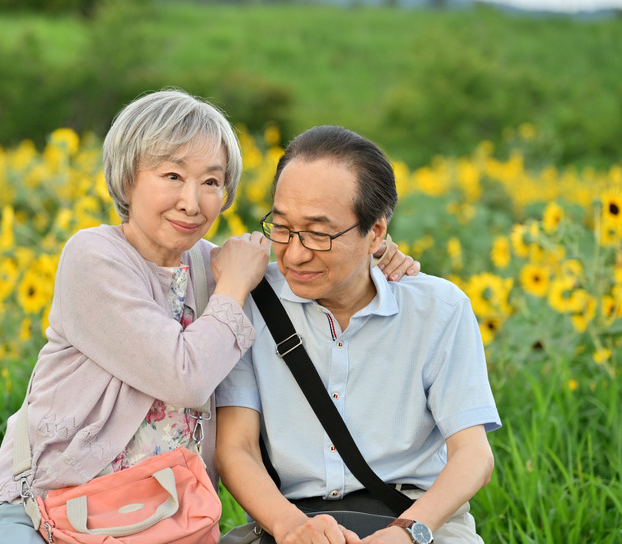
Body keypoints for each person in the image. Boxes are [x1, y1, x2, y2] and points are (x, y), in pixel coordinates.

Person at [0, 91, 419, 544]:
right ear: (127, 180)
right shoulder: (94, 257)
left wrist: (376, 255)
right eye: (172, 176)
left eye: (211, 182)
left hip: (164, 524)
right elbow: (183, 376)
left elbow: (314, 266)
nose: (192, 201)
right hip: (43, 513)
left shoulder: (216, 268)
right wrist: (235, 285)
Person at [215, 125, 501, 544]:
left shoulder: (437, 308)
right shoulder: (249, 301)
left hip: (419, 519)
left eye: (318, 233)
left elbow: (473, 454)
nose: (295, 253)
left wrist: (406, 533)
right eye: (282, 227)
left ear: (376, 232)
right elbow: (236, 447)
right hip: (290, 521)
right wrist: (293, 527)